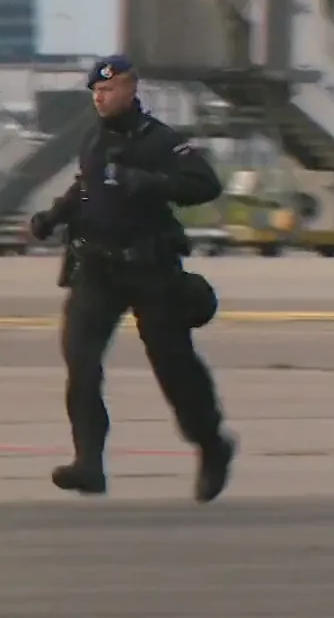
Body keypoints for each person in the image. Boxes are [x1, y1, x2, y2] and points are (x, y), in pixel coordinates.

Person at [27, 55, 234, 502]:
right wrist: (54, 216)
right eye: (95, 92)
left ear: (130, 89)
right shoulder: (94, 138)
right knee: (81, 361)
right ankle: (88, 462)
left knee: (172, 364)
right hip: (96, 269)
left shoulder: (160, 140)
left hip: (149, 269)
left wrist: (153, 182)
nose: (100, 98)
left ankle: (212, 444)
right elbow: (86, 186)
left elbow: (206, 184)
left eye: (108, 90)